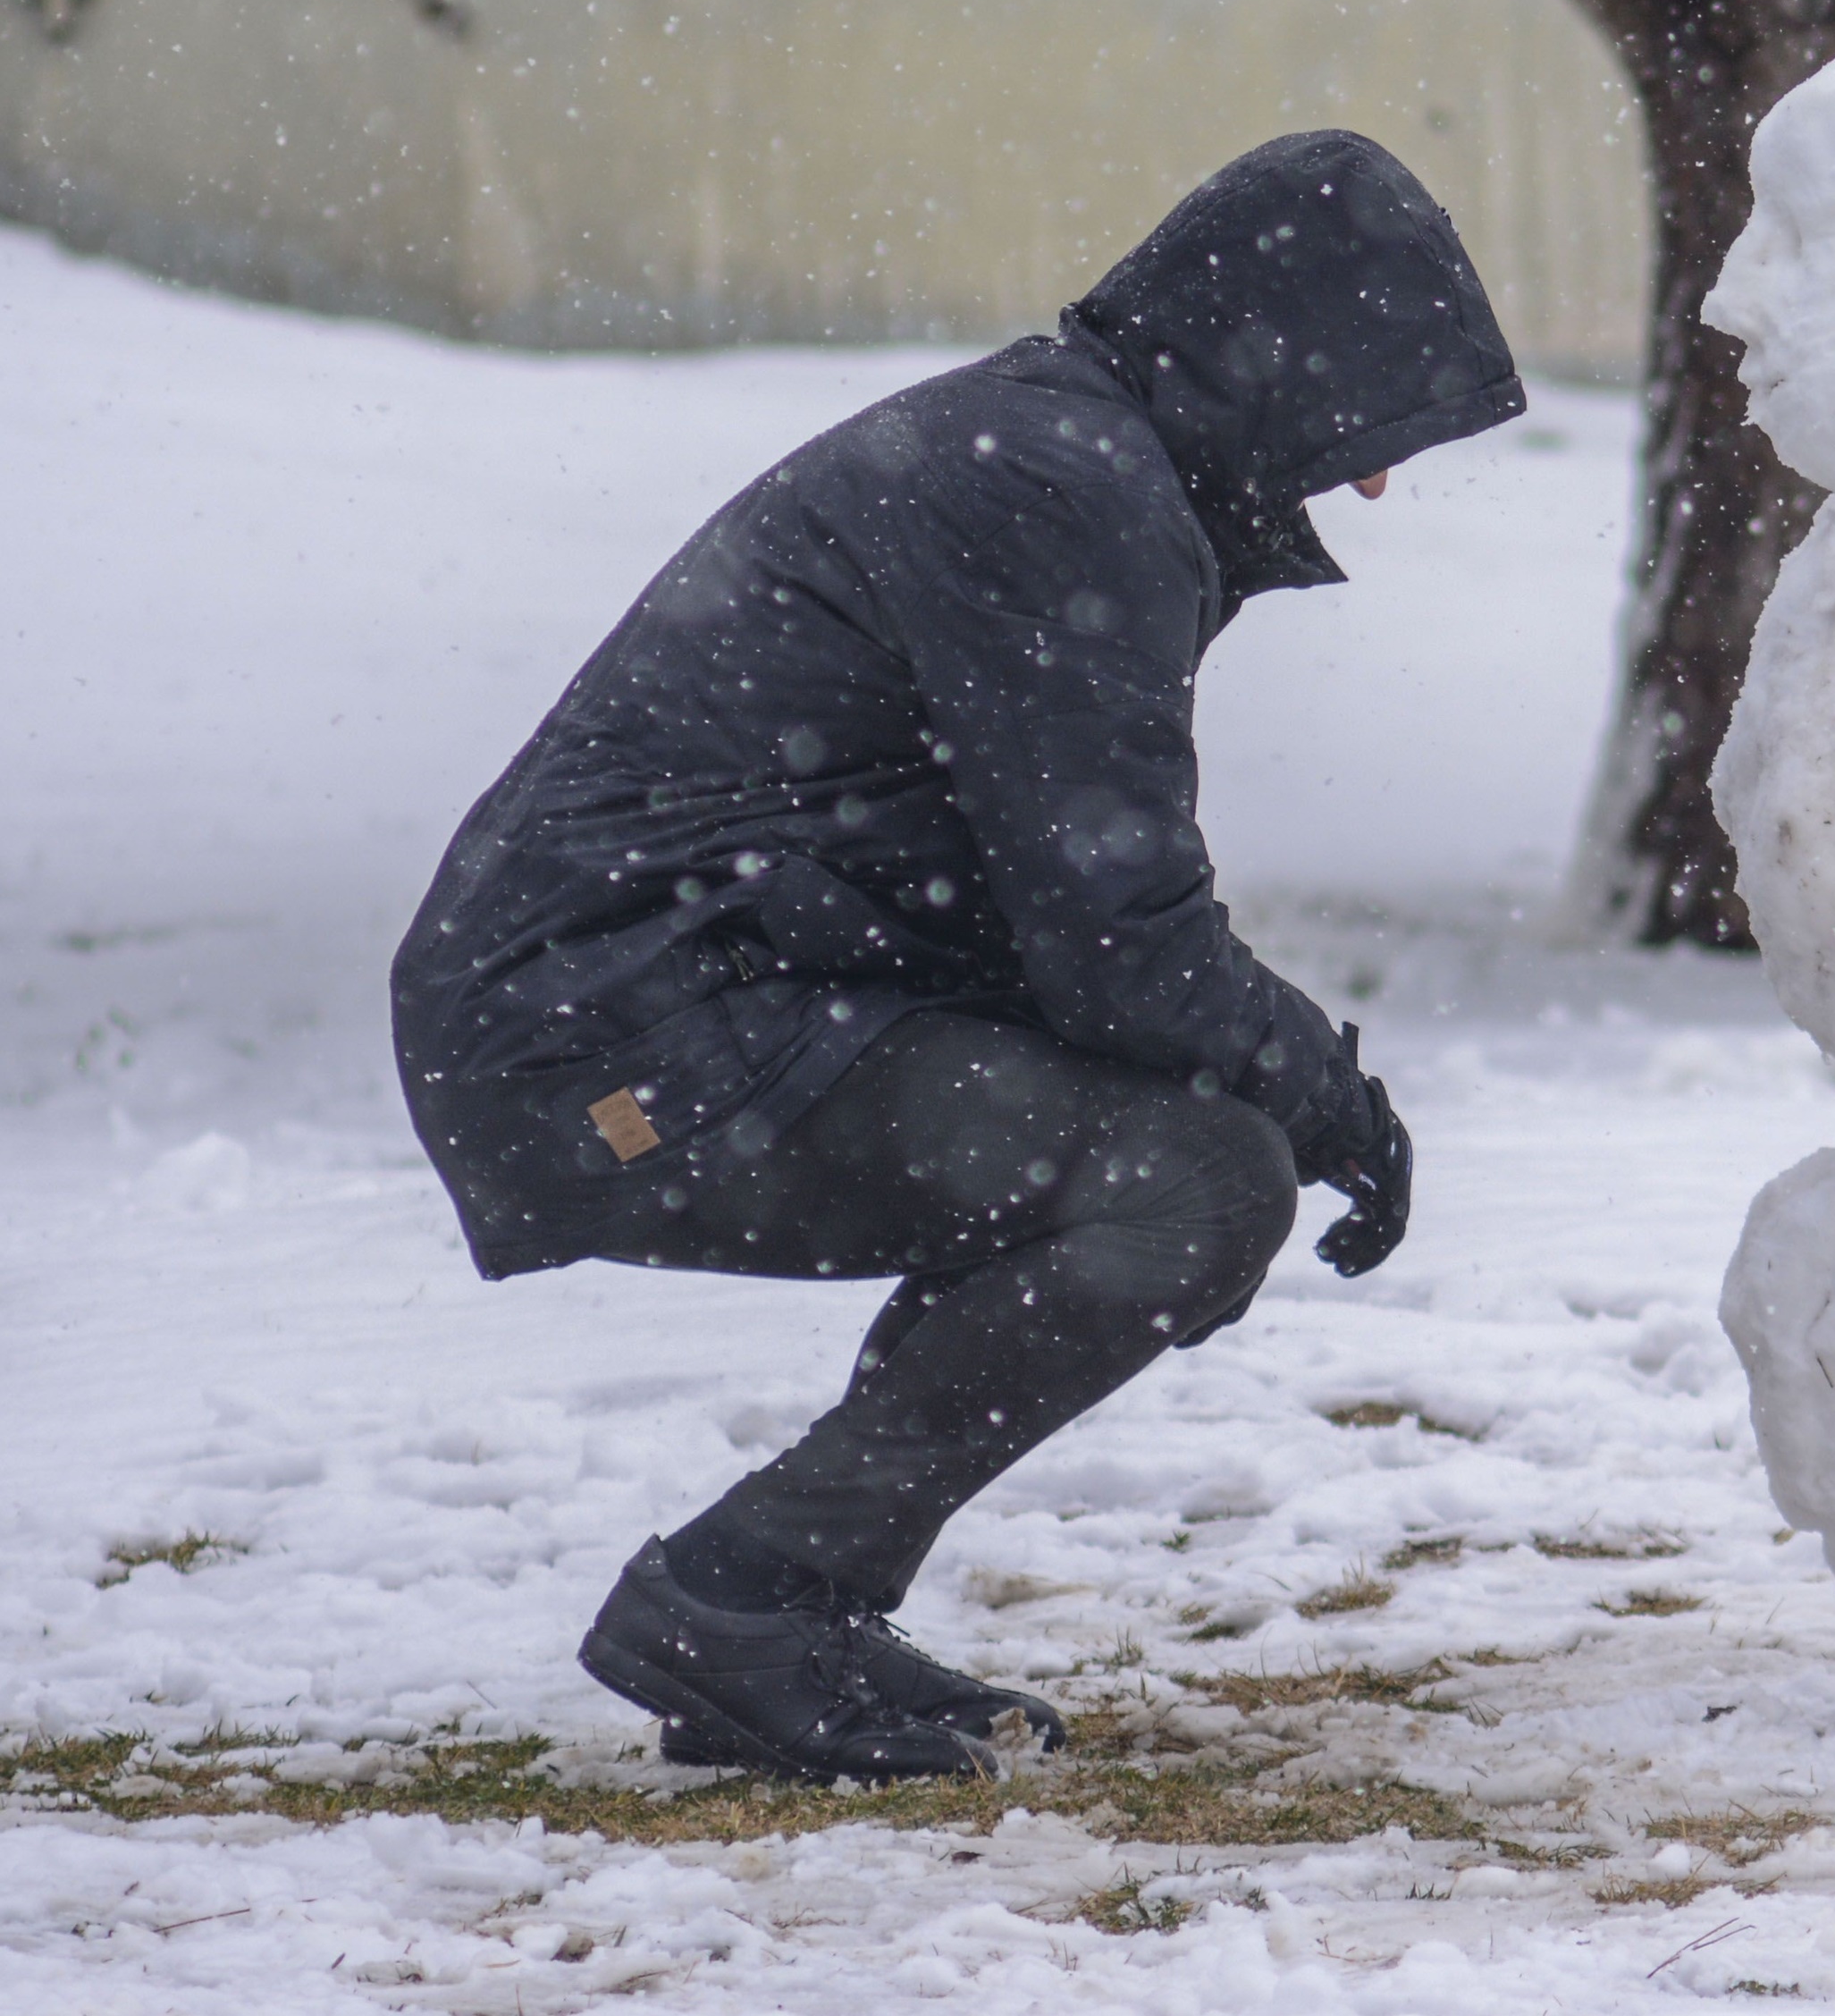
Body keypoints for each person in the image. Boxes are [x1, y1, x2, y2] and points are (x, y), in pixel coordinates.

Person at [389, 131, 1524, 1784]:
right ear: (1274, 353)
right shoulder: (1060, 483)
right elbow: (1117, 937)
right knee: (1196, 1181)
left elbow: (1065, 927)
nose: (1367, 481)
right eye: (1365, 418)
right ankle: (748, 1599)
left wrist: (1284, 1069)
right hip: (609, 1046)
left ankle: (796, 1608)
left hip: (681, 1008)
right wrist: (1330, 1094)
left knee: (1154, 1144)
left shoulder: (1069, 452)